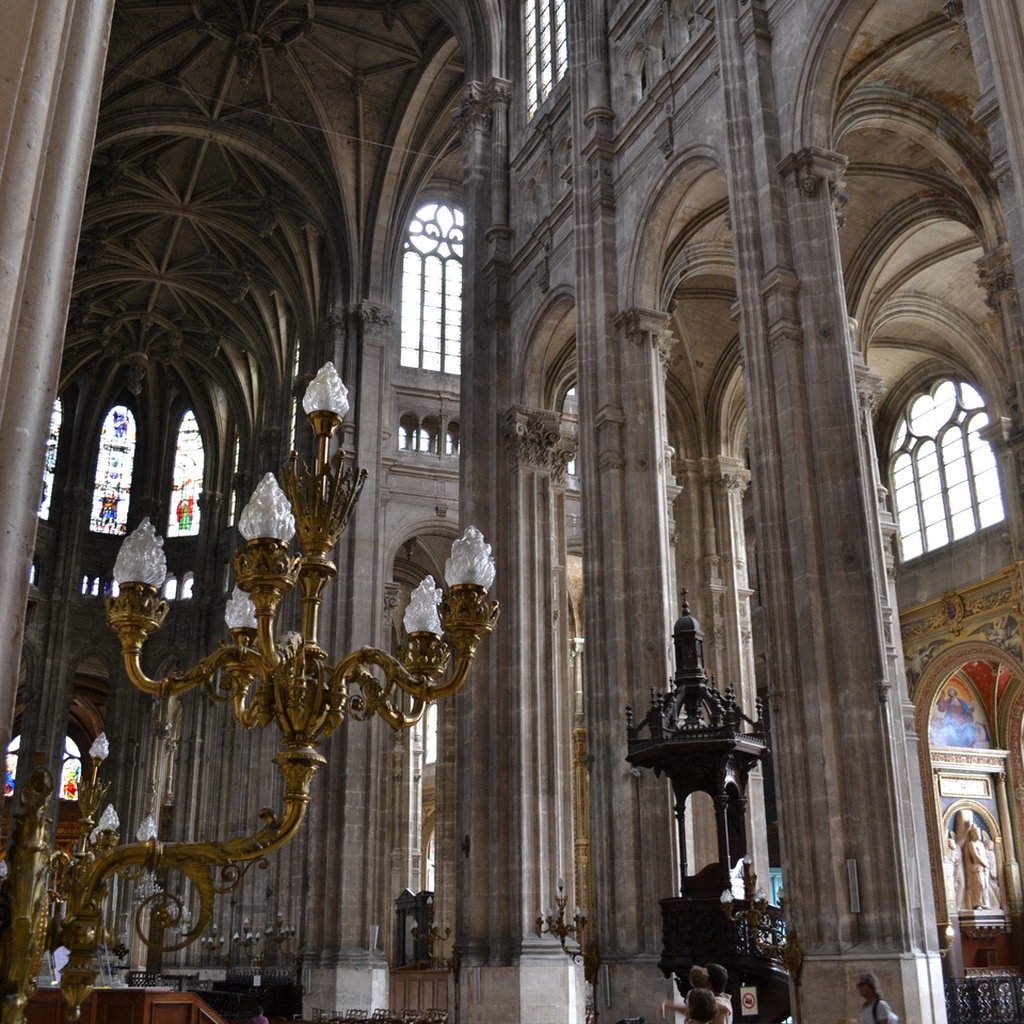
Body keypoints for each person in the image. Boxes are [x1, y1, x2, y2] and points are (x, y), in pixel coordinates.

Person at [964, 827, 993, 909]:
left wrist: (987, 864)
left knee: (986, 886)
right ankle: (977, 903)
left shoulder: (981, 844)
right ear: (973, 834)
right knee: (980, 885)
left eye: (979, 832)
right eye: (976, 833)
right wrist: (984, 864)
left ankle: (985, 903)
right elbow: (975, 855)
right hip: (978, 867)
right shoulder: (971, 844)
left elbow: (984, 855)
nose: (978, 834)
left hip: (985, 867)